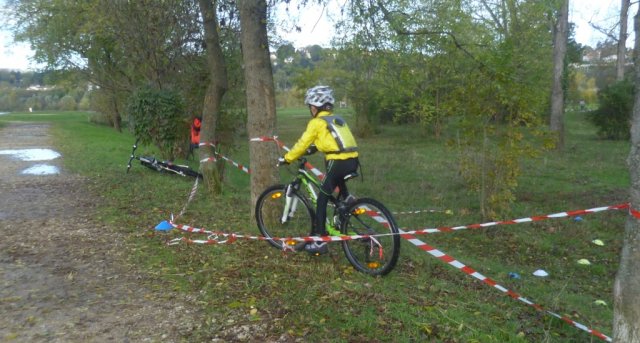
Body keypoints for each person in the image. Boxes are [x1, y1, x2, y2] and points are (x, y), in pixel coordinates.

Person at [279, 85, 359, 255]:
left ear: (314, 107)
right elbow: (334, 140)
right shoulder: (336, 119)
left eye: (310, 107)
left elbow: (302, 143)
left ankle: (320, 241)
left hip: (337, 162)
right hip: (353, 160)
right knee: (335, 181)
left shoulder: (316, 122)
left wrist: (287, 158)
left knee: (322, 198)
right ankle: (347, 200)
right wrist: (315, 148)